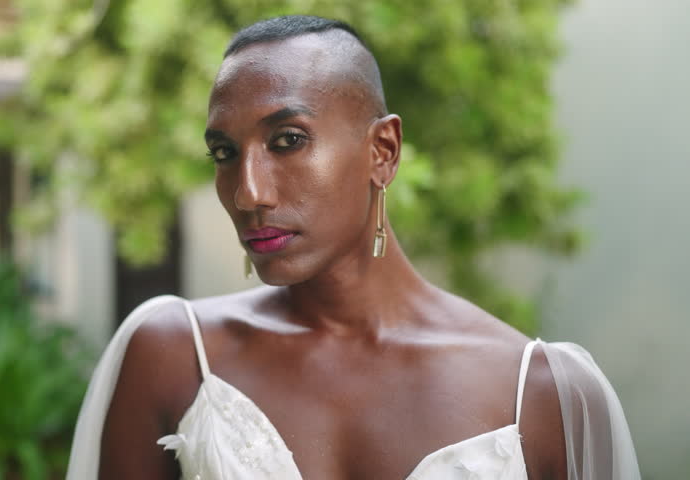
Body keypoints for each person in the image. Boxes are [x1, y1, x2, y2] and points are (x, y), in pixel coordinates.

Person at [66, 15, 640, 480]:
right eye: (224, 153)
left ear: (383, 151)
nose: (248, 192)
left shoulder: (542, 394)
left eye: (287, 141)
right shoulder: (173, 355)